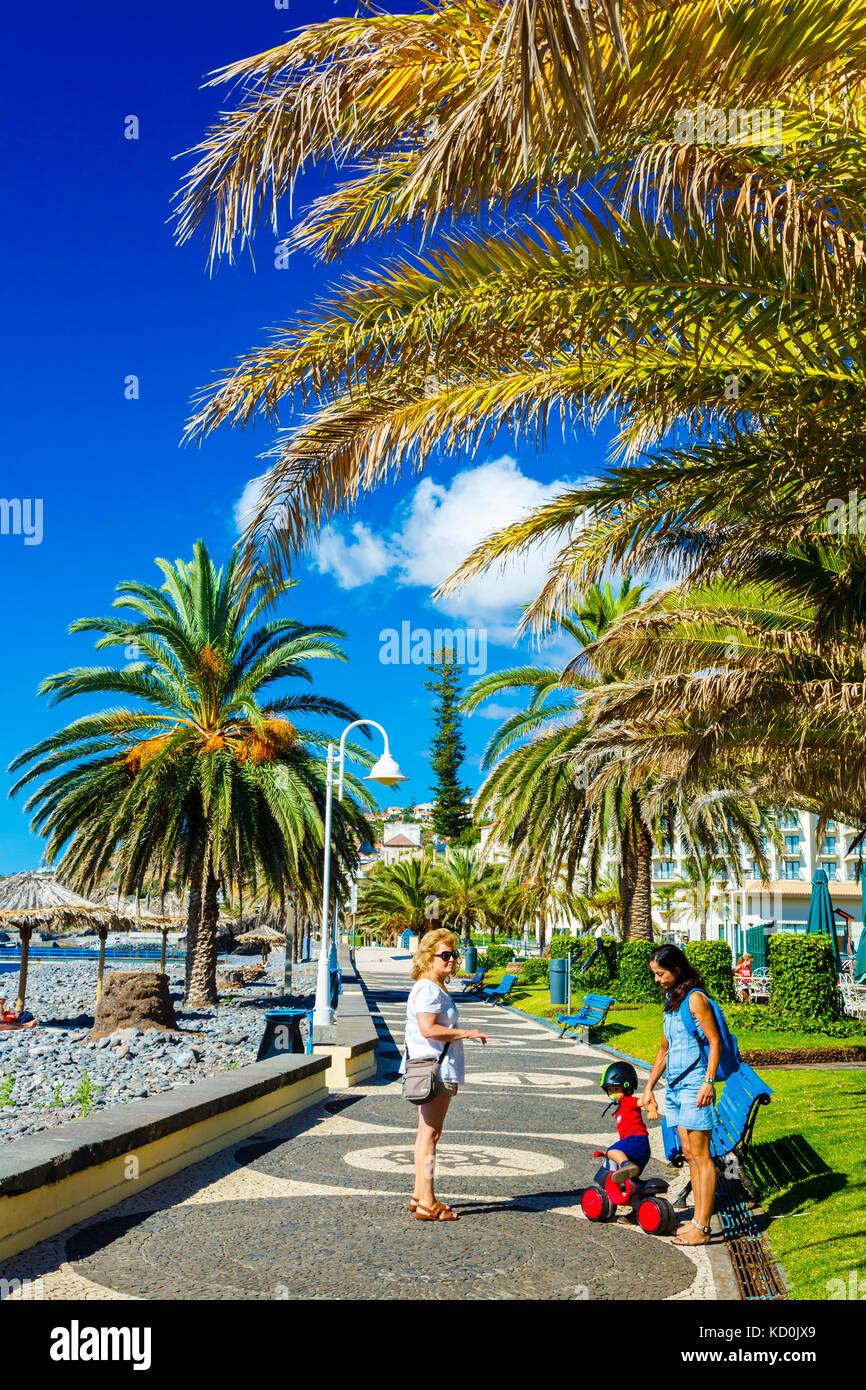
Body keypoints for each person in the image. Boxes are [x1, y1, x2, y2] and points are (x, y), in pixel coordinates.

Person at [401, 926, 489, 1221]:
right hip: (434, 1069)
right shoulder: (428, 987)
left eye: (455, 954)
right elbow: (428, 1029)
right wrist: (465, 1033)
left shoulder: (432, 985)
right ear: (428, 958)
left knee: (426, 1133)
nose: (452, 960)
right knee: (431, 1134)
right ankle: (427, 1202)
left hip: (431, 1067)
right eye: (445, 955)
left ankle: (418, 1194)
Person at [640, 944, 722, 1247]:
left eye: (661, 974)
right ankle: (697, 1222)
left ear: (676, 969)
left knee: (702, 1157)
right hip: (674, 1087)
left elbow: (715, 1042)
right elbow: (664, 1050)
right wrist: (649, 1087)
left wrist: (709, 1082)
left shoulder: (696, 1000)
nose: (658, 979)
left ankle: (702, 1226)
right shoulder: (670, 1001)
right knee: (689, 1155)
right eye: (655, 975)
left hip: (695, 1086)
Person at [599, 1061, 651, 1184]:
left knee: (611, 1151)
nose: (612, 1094)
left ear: (628, 1088)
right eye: (610, 1090)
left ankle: (625, 1164)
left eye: (616, 1089)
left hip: (635, 1140)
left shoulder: (628, 1101)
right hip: (639, 1147)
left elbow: (644, 1101)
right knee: (632, 1182)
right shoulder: (620, 1108)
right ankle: (637, 1198)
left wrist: (651, 1110)